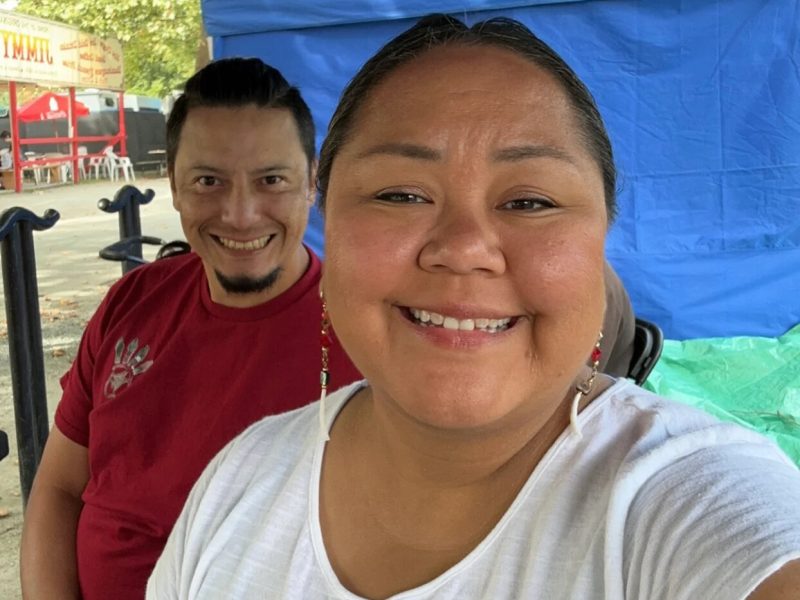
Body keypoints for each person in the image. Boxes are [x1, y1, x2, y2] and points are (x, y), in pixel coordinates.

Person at [148, 15, 800, 599]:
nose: (463, 249)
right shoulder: (241, 479)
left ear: (603, 236)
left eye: (530, 202)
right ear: (328, 225)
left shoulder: (687, 501)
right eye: (401, 195)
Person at [20, 58, 361, 599]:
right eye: (208, 181)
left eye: (271, 180)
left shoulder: (368, 333)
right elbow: (59, 489)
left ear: (313, 183)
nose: (241, 214)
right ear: (173, 187)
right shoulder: (133, 300)